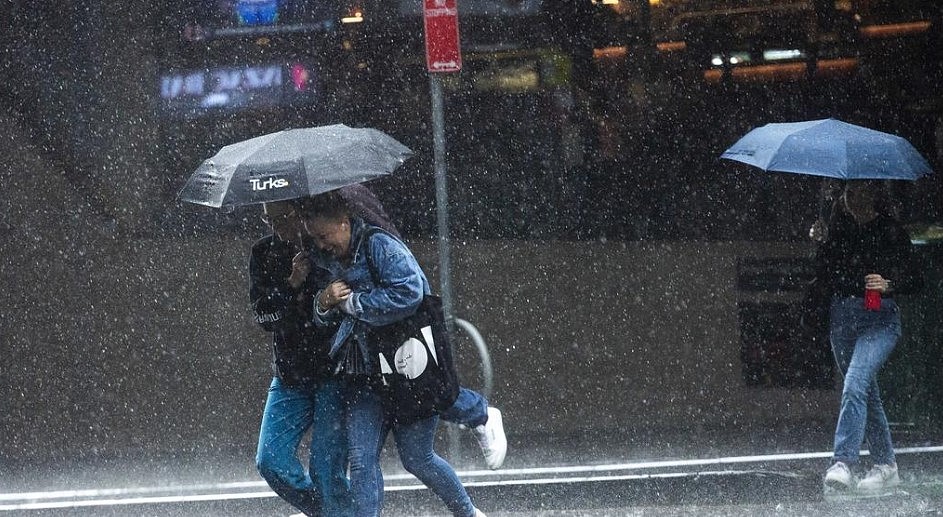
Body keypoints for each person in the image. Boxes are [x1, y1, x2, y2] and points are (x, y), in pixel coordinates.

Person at [299, 190, 489, 517]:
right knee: (361, 460)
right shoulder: (325, 260)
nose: (320, 244)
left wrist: (356, 303)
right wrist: (323, 302)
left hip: (403, 362)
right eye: (315, 237)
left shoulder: (379, 245)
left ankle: (469, 511)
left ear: (344, 223)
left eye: (324, 235)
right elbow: (322, 319)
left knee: (418, 458)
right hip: (363, 368)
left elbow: (411, 293)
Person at [813, 181, 921, 492]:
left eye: (861, 191)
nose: (854, 198)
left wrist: (889, 283)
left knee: (855, 384)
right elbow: (825, 274)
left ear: (873, 194)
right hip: (842, 319)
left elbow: (915, 278)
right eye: (850, 191)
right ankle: (886, 464)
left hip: (879, 320)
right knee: (865, 393)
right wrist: (820, 241)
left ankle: (843, 461)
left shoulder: (890, 230)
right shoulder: (835, 227)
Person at [250, 200, 351, 516]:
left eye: (279, 218)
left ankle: (337, 509)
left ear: (298, 214)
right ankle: (328, 512)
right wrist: (291, 282)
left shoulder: (325, 246)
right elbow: (266, 316)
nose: (273, 226)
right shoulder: (264, 253)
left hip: (334, 372)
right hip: (291, 374)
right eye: (267, 218)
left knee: (327, 470)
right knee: (270, 460)